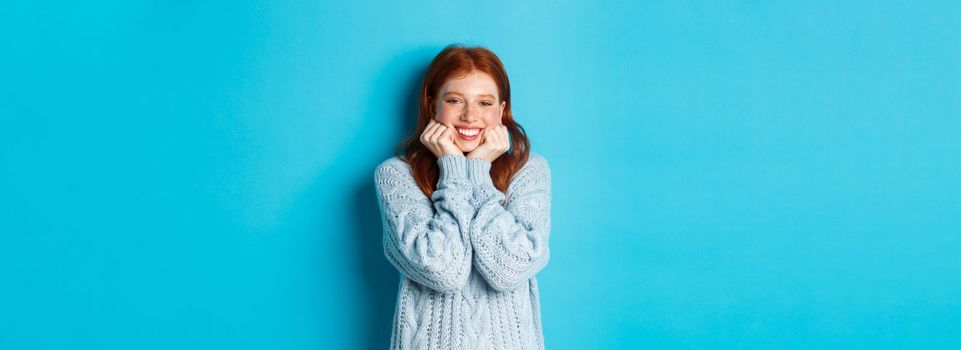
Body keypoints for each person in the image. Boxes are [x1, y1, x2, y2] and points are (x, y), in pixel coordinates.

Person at [373, 44, 552, 349]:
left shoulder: (528, 171)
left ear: (501, 110)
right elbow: (444, 272)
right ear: (432, 105)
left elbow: (510, 270)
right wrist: (454, 172)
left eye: (484, 102)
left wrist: (479, 173)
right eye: (455, 100)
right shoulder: (396, 176)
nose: (470, 116)